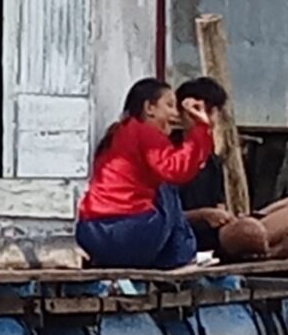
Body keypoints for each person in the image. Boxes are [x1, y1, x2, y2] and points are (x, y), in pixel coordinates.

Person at [75, 78, 218, 270]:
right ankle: (183, 254)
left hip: (91, 232)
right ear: (149, 108)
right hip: (129, 231)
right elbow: (177, 170)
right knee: (166, 186)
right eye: (169, 105)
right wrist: (200, 127)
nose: (175, 114)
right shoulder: (146, 133)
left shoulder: (118, 133)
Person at [173, 76, 288, 262]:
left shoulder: (211, 159)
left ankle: (256, 245)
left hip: (223, 231)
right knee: (249, 231)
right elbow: (164, 220)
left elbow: (220, 206)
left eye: (211, 112)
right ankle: (268, 253)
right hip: (192, 236)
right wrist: (204, 214)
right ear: (182, 115)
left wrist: (230, 217)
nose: (207, 119)